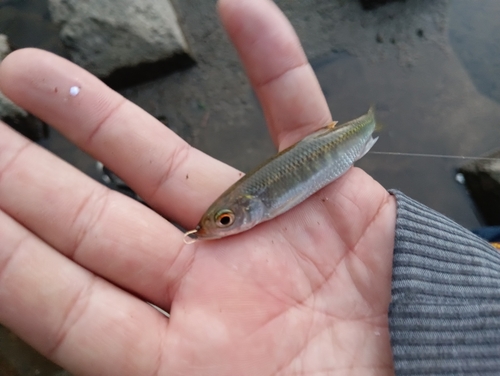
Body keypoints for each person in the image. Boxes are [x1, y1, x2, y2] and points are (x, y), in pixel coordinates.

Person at [0, 0, 498, 375]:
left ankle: (371, 125)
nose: (221, 226)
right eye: (222, 220)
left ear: (246, 207)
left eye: (224, 220)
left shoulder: (268, 196)